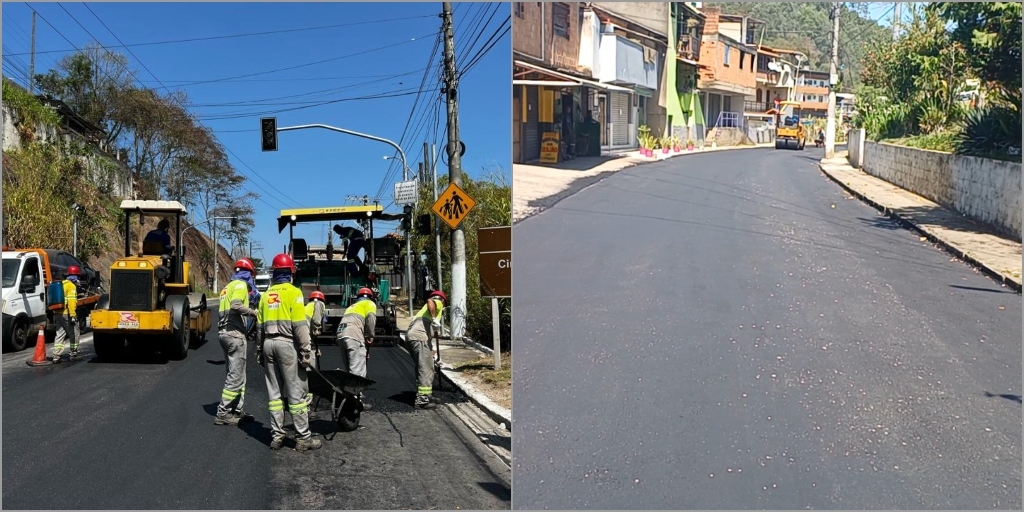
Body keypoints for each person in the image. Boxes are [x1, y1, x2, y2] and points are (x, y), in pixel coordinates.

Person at [256, 253, 321, 451]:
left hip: (268, 344)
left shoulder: (265, 296)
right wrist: (306, 353)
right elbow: (300, 327)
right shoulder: (294, 293)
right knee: (297, 392)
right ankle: (303, 438)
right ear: (291, 273)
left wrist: (259, 350)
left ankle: (277, 436)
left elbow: (259, 327)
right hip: (287, 345)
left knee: (274, 394)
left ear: (274, 273)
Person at [214, 258, 259, 426]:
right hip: (234, 335)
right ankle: (223, 412)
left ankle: (237, 409)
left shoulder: (226, 288)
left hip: (223, 334)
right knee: (236, 375)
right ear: (249, 274)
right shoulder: (240, 285)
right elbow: (236, 305)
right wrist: (253, 313)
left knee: (236, 373)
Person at [403, 290, 446, 410]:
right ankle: (422, 400)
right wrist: (434, 318)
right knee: (425, 368)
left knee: (424, 366)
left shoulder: (422, 312)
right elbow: (430, 301)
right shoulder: (438, 301)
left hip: (413, 337)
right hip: (419, 337)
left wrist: (433, 356)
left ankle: (426, 394)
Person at [337, 287, 376, 408]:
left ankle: (349, 396)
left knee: (349, 369)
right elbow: (371, 319)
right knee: (357, 371)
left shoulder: (351, 306)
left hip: (341, 335)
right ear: (370, 297)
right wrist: (370, 335)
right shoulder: (369, 303)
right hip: (353, 335)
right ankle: (354, 403)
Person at [51, 266, 81, 363]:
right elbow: (72, 302)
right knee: (74, 333)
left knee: (60, 334)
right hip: (66, 313)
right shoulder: (71, 286)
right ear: (75, 276)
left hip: (57, 313)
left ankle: (56, 356)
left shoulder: (61, 284)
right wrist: (72, 315)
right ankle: (73, 354)